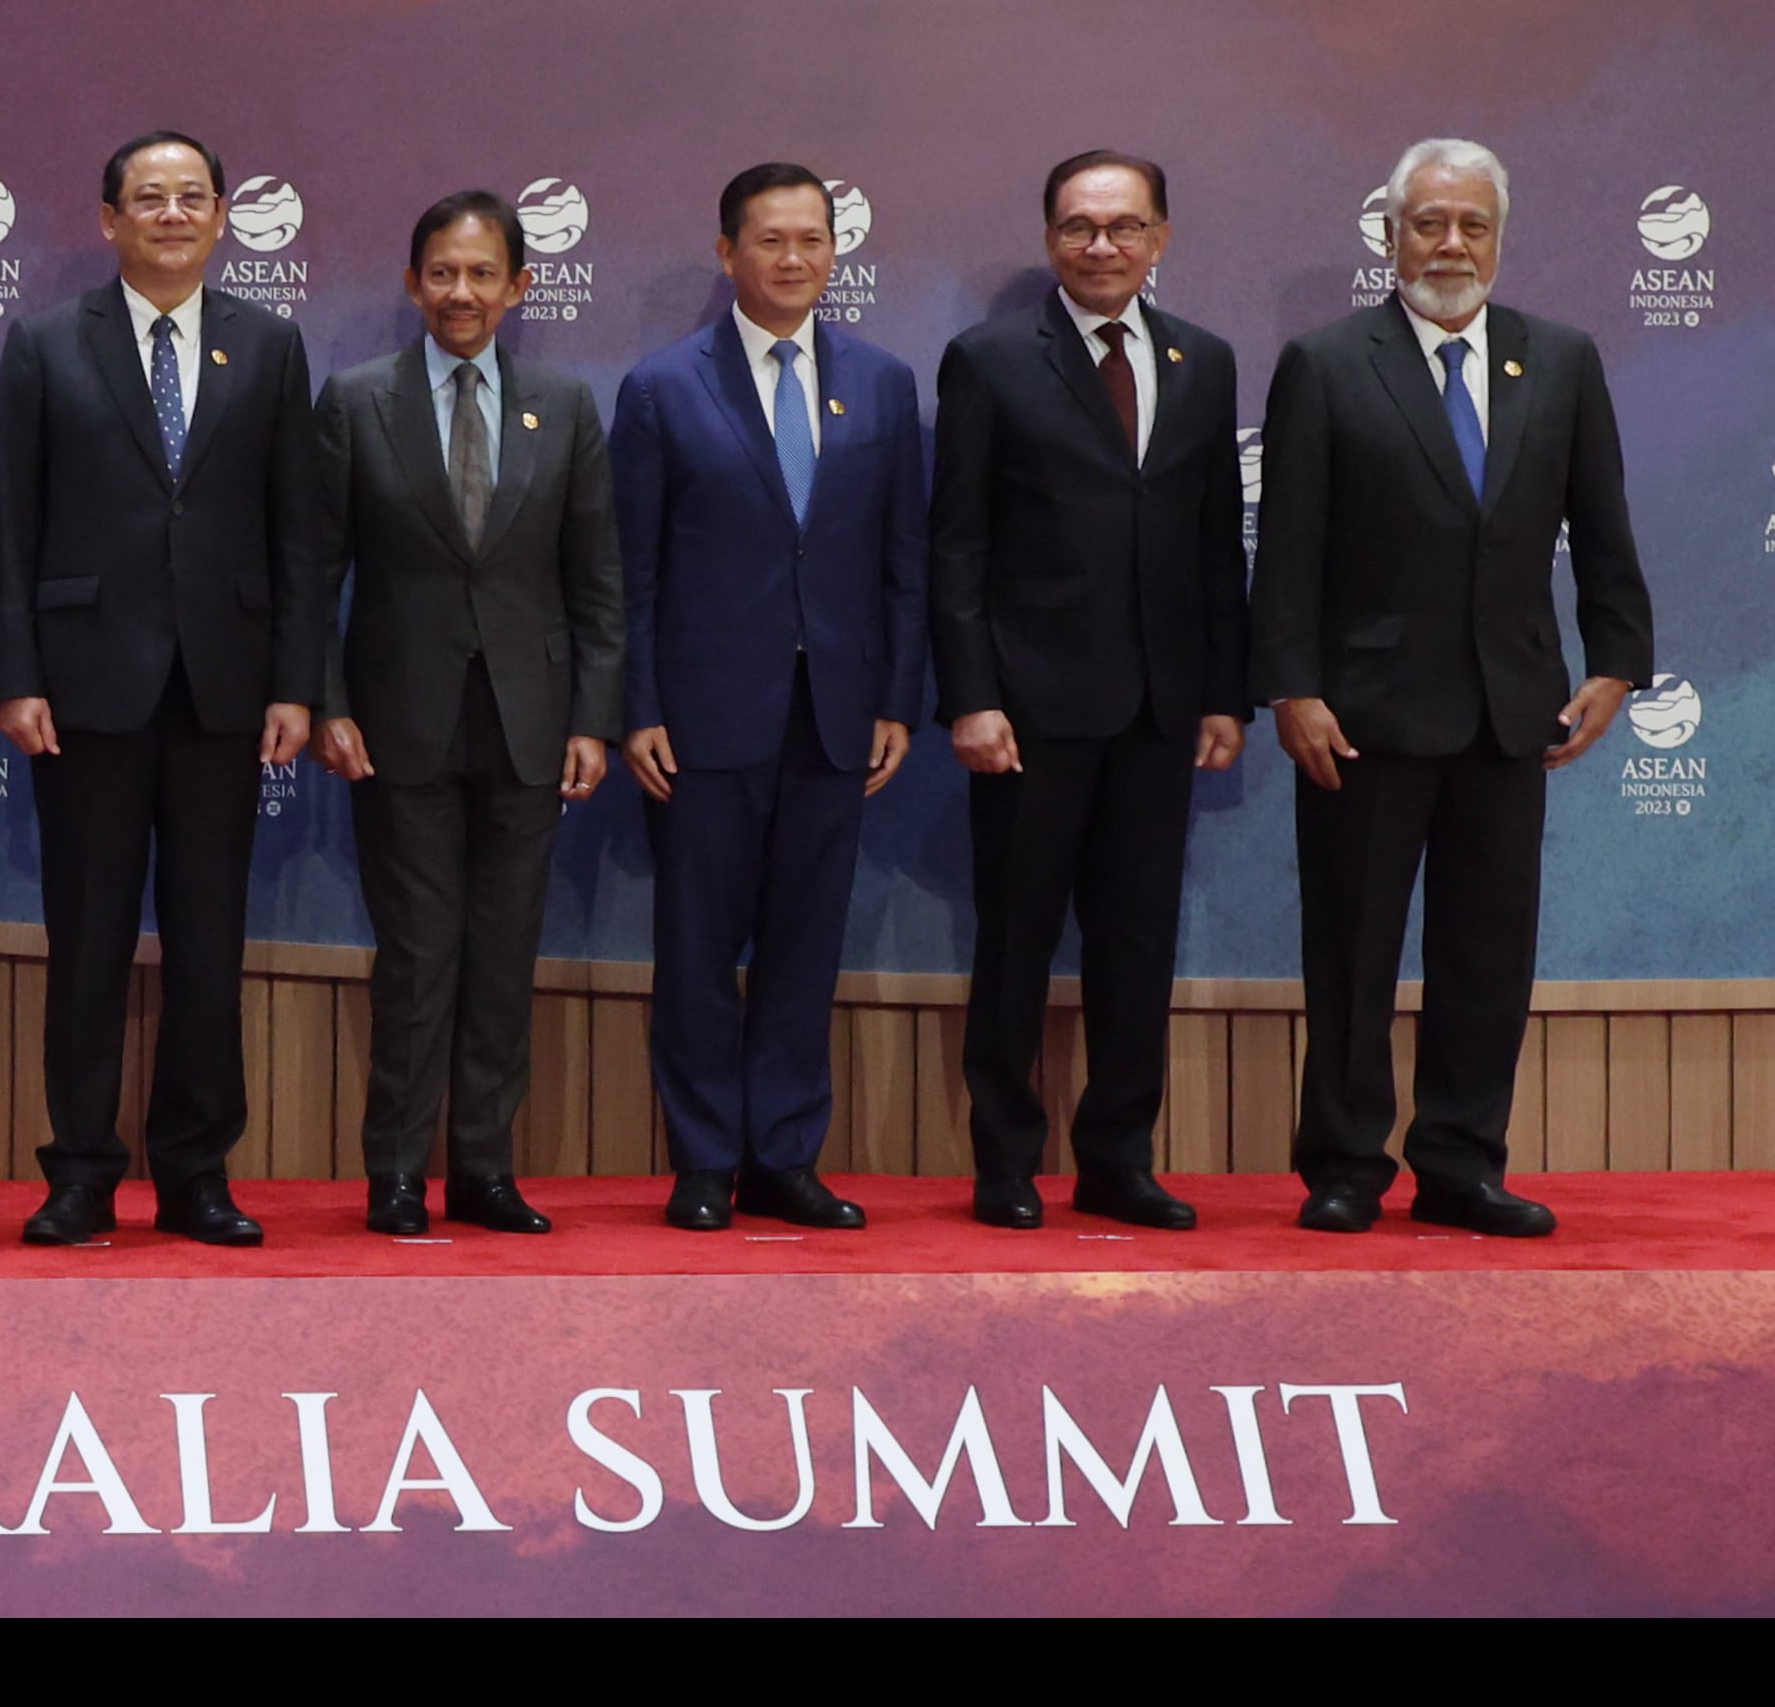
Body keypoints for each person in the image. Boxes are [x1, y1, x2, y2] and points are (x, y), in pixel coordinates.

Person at [1255, 138, 1651, 1238]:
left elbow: (1603, 524)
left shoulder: (1559, 359)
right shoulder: (1328, 363)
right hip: (1362, 718)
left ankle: (1461, 1165)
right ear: (1390, 235)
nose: (1450, 243)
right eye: (1428, 222)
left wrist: (1617, 659)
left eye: (1472, 224)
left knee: (1487, 955)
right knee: (1352, 956)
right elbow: (1286, 547)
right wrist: (1290, 686)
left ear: (1499, 237)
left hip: (1508, 714)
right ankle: (1344, 1166)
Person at [0, 130, 332, 1248]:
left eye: (191, 197)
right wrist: (13, 677)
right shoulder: (46, 343)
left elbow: (299, 529)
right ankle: (80, 1172)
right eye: (149, 197)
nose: (171, 214)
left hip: (225, 689)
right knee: (86, 941)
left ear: (221, 216)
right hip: (83, 689)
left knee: (209, 943)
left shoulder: (268, 345)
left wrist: (296, 681)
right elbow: (6, 526)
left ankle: (195, 1172)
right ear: (109, 219)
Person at [929, 152, 1248, 1230]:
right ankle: (1005, 1162)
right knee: (1015, 943)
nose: (1101, 245)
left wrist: (1223, 691)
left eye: (1123, 226)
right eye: (1078, 226)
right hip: (1027, 712)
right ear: (1049, 239)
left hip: (1160, 712)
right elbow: (957, 543)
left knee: (1137, 947)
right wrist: (970, 696)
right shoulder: (988, 360)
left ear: (1160, 238)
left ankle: (1117, 1159)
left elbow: (1215, 540)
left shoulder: (1204, 360)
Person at [612, 163, 926, 1233]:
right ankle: (704, 1159)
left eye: (812, 239)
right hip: (700, 717)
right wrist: (638, 705)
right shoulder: (663, 385)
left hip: (835, 715)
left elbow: (903, 560)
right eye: (770, 240)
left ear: (836, 250)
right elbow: (631, 570)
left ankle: (783, 1157)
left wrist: (895, 698)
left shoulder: (882, 383)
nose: (794, 258)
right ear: (727, 252)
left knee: (803, 947)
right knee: (698, 951)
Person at [312, 189, 620, 1239]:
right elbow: (313, 570)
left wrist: (592, 718)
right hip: (396, 724)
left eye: (482, 273)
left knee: (502, 956)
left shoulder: (564, 404)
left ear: (518, 286)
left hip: (530, 724)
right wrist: (328, 701)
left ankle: (485, 1168)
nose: (461, 291)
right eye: (442, 271)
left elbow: (597, 580)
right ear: (413, 283)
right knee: (415, 958)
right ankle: (397, 1173)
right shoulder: (357, 399)